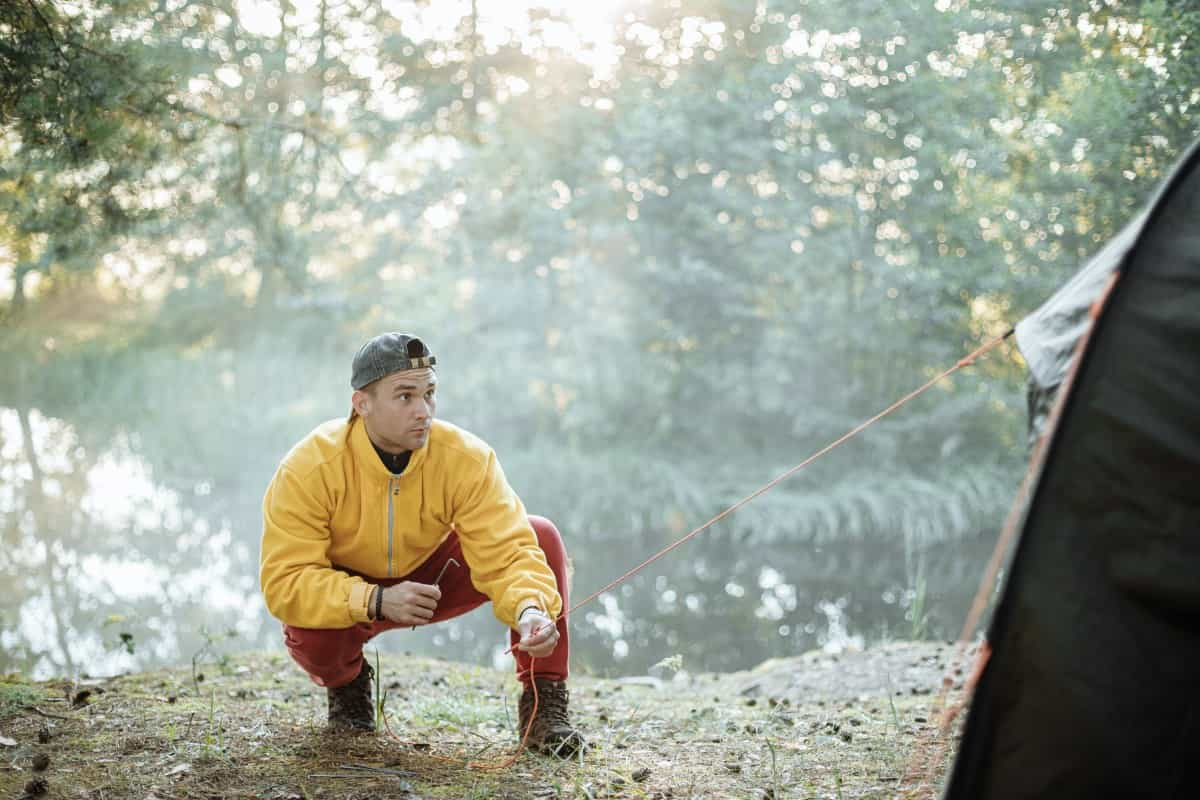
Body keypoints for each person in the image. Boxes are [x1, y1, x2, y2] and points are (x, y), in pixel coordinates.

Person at [259, 332, 584, 757]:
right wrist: (375, 599)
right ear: (362, 403)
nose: (423, 411)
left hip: (435, 580)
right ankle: (347, 689)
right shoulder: (310, 467)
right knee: (310, 630)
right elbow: (286, 582)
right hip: (355, 591)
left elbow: (508, 551)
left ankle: (544, 707)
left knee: (539, 533)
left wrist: (530, 611)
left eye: (429, 394)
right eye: (405, 397)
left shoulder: (466, 457)